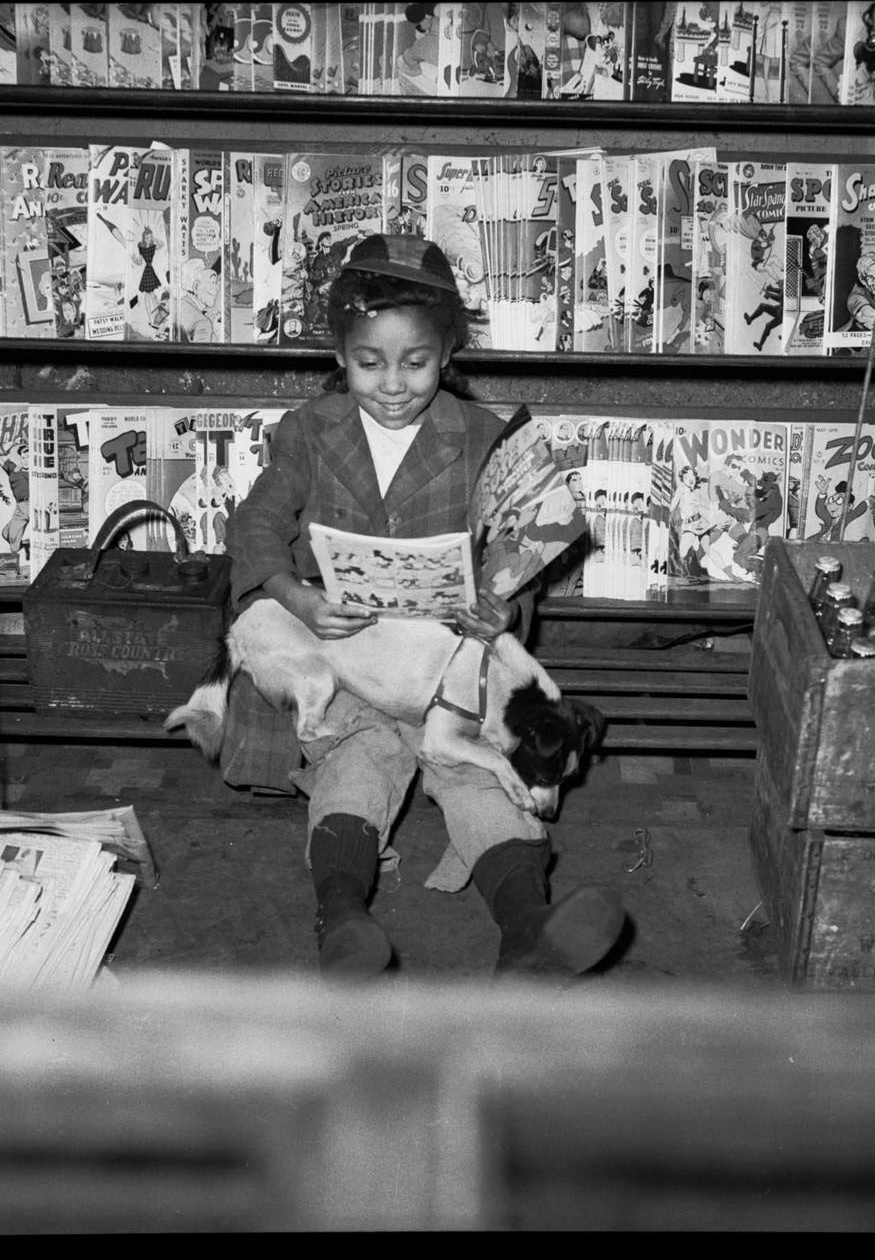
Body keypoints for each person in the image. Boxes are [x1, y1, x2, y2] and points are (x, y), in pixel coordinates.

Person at [219, 233, 626, 979]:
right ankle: (342, 918)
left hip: (448, 665)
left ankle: (529, 930)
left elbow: (514, 556)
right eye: (370, 363)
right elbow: (254, 525)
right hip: (347, 661)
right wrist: (294, 598)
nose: (394, 383)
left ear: (449, 354)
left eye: (417, 363)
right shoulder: (308, 431)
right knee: (361, 760)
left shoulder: (480, 437)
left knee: (476, 776)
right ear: (340, 356)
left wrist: (501, 609)